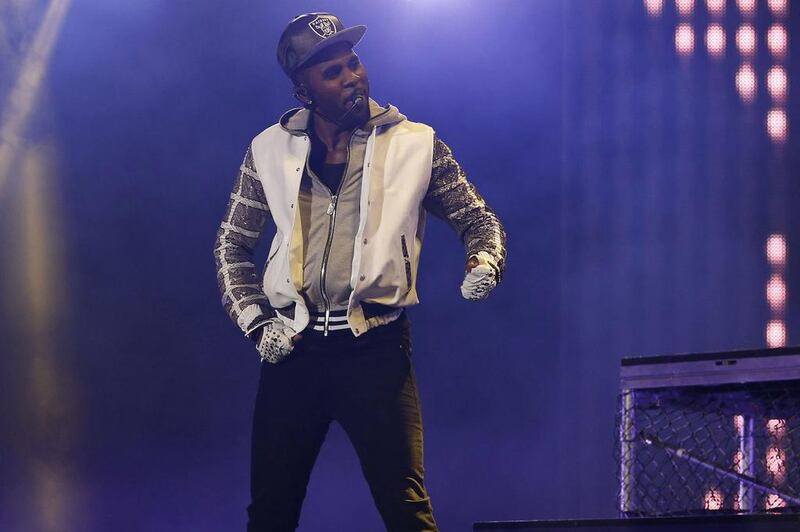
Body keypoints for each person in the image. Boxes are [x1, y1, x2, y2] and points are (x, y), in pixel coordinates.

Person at [213, 12, 506, 532]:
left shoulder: (416, 143)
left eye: (354, 64)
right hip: (295, 351)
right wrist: (257, 323)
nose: (352, 77)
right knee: (271, 512)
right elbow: (232, 244)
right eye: (333, 72)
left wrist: (484, 260)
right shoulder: (268, 148)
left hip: (374, 350)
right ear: (304, 89)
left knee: (406, 508)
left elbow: (477, 218)